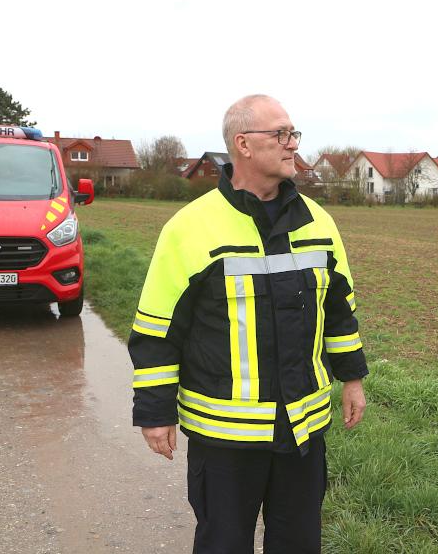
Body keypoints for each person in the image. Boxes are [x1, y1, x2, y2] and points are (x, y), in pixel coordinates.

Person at [128, 94, 368, 553]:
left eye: (294, 134)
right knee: (223, 544)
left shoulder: (319, 223)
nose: (292, 144)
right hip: (225, 439)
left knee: (298, 543)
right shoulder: (190, 228)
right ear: (243, 144)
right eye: (281, 134)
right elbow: (158, 330)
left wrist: (352, 380)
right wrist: (156, 412)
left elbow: (339, 313)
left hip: (303, 430)